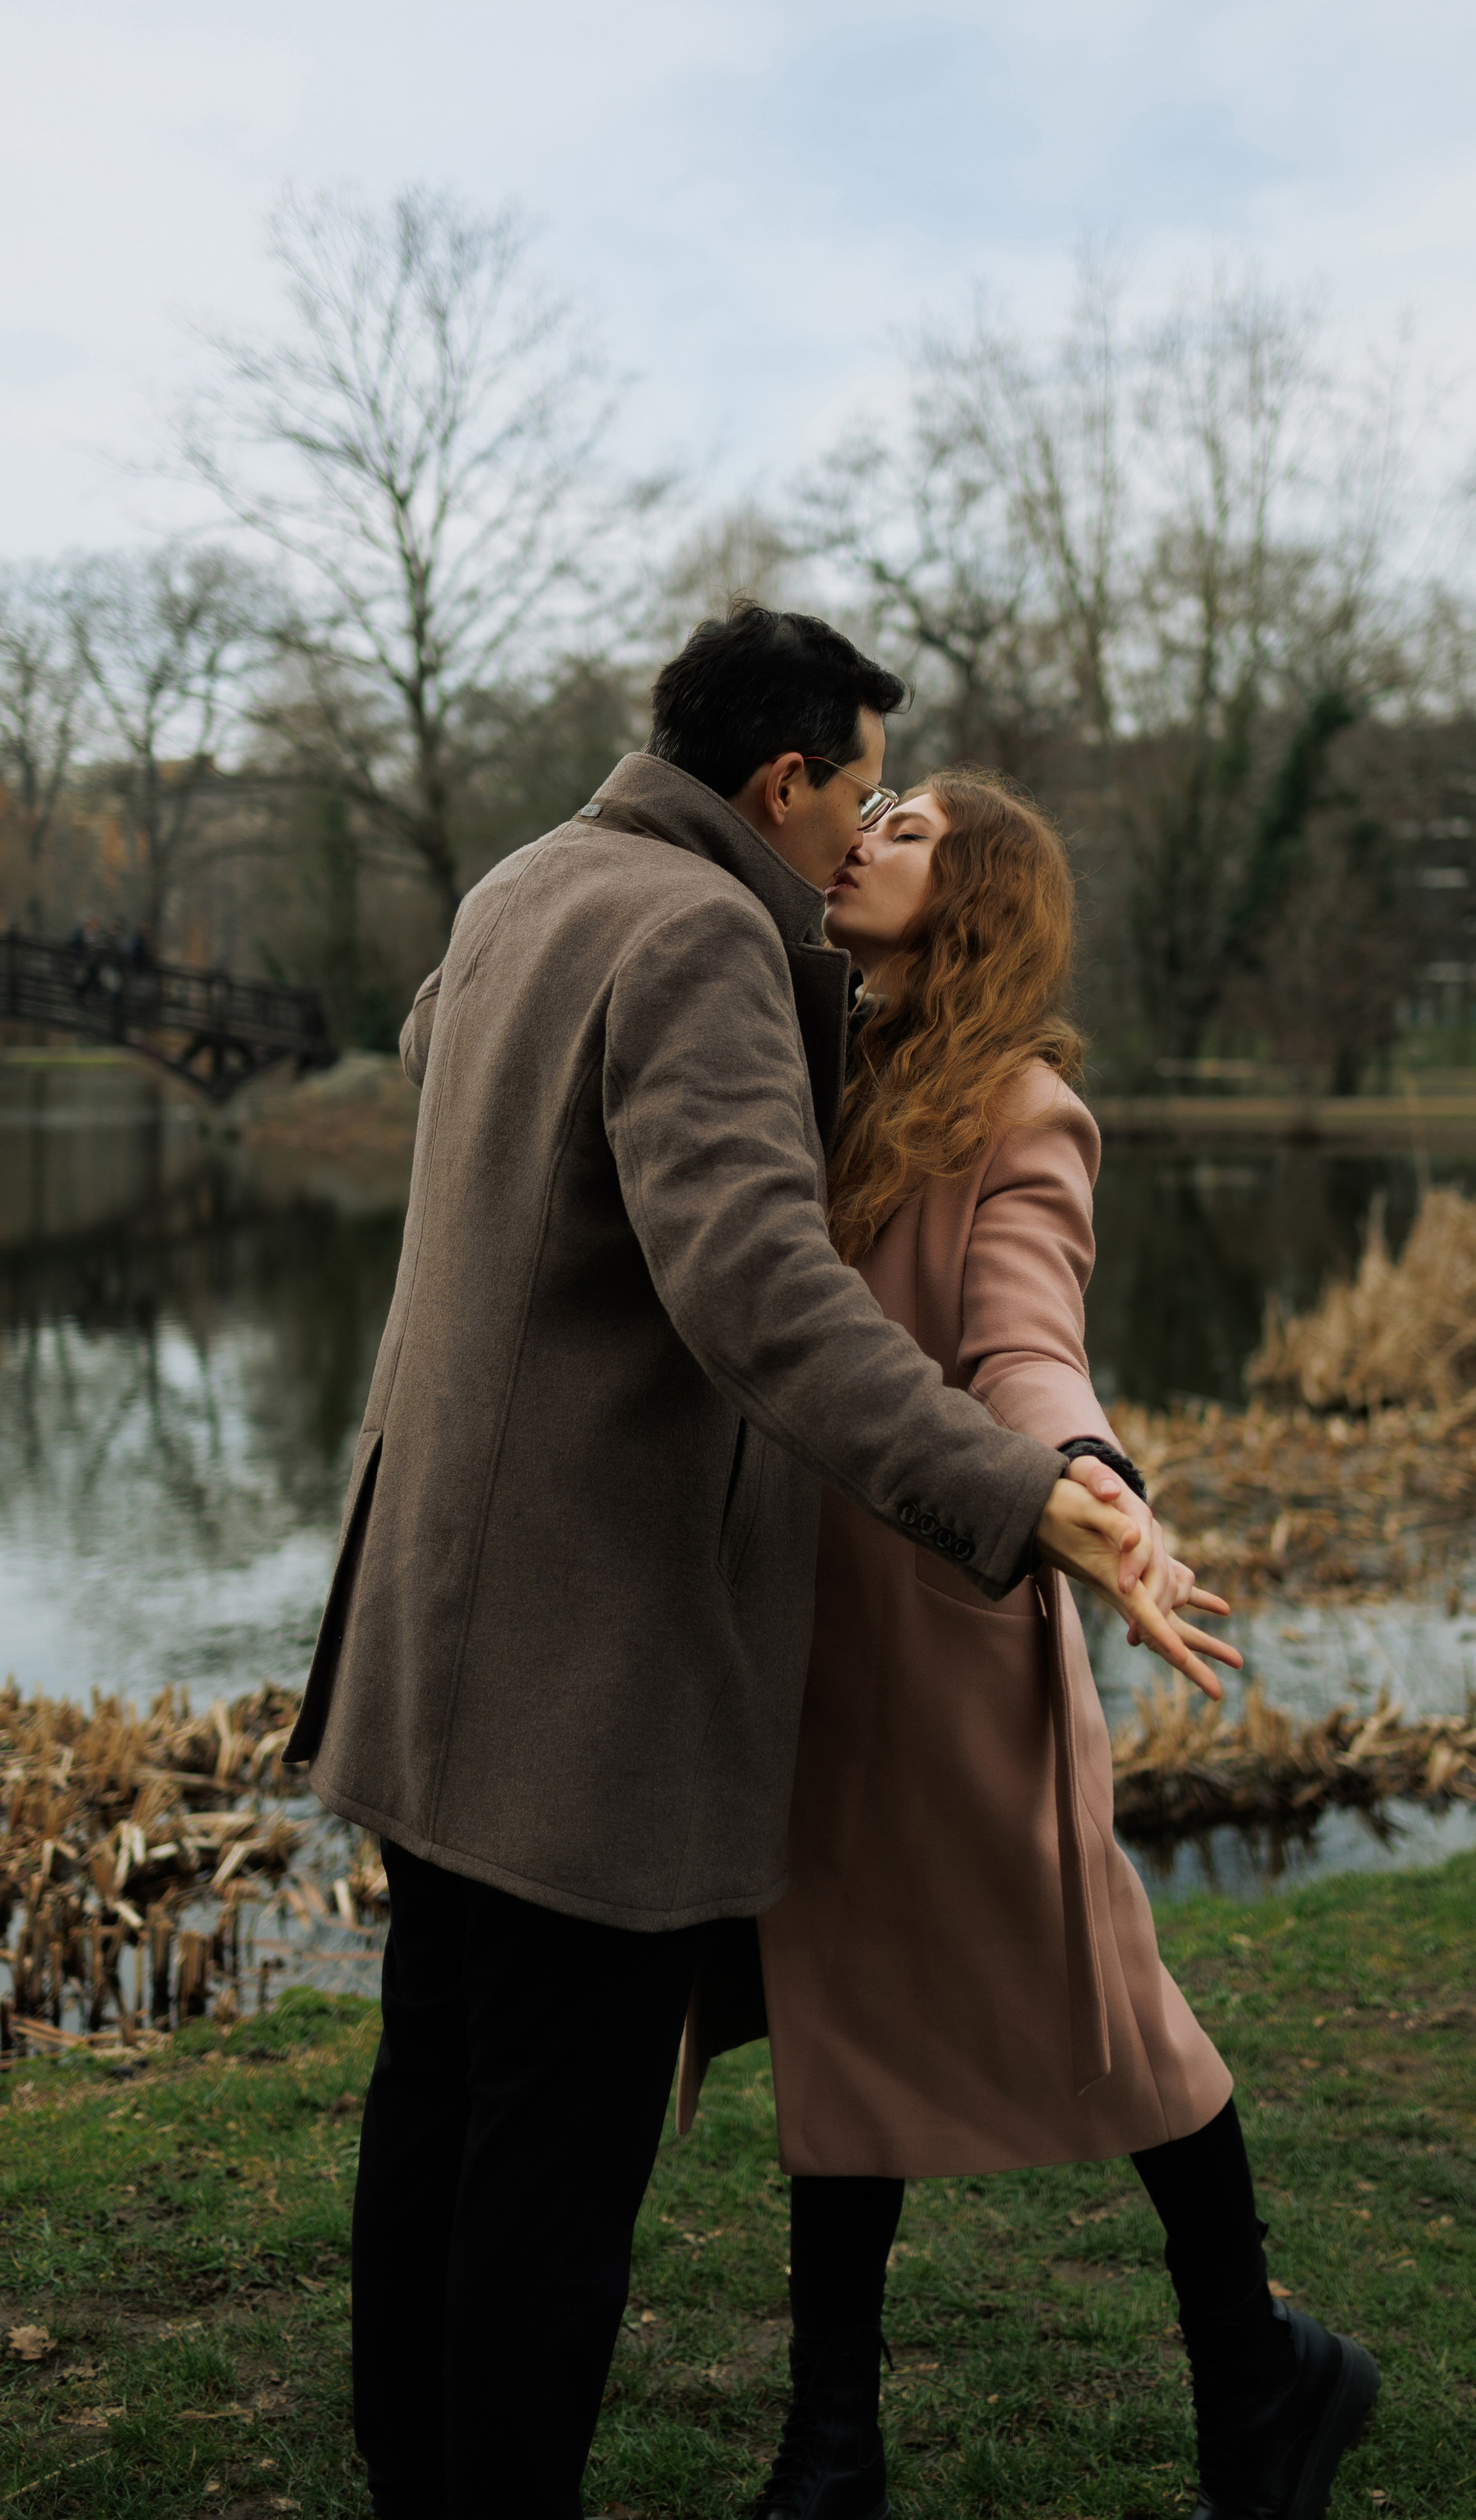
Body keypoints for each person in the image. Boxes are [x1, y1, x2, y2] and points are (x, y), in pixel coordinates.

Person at [282, 605, 1224, 2520]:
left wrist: (1065, 1439)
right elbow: (755, 1286)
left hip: (428, 1623)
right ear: (783, 783)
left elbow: (443, 1054)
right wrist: (1011, 1491)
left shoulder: (530, 881)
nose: (868, 828)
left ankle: (419, 2474)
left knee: (439, 2093)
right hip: (582, 1678)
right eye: (864, 788)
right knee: (546, 2156)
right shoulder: (711, 933)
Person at [711, 768, 1378, 2520]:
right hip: (804, 1640)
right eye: (869, 812)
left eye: (911, 829)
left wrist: (1083, 1479)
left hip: (946, 1635)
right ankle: (834, 2445)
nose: (866, 836)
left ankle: (1260, 2374)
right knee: (842, 2017)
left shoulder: (1024, 1109)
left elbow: (1026, 1336)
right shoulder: (810, 1062)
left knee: (1126, 2021)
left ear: (982, 899)